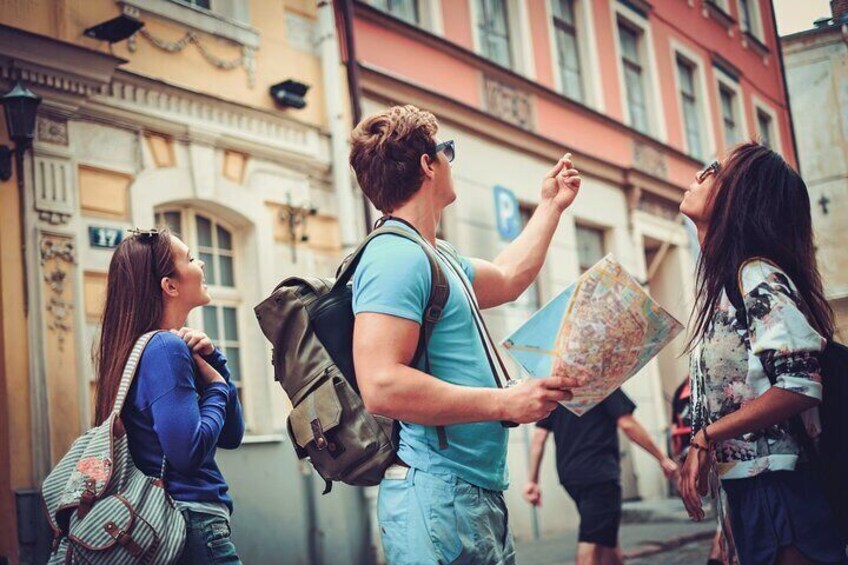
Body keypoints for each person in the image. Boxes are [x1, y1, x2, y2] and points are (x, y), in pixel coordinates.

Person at [349, 105, 582, 564]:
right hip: (438, 492)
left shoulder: (438, 256)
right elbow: (380, 385)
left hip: (468, 493)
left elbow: (512, 275)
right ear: (426, 164)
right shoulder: (393, 257)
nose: (449, 163)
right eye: (446, 152)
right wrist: (504, 402)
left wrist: (552, 205)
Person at [678, 142, 846, 564]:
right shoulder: (723, 284)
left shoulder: (754, 275)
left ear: (740, 195)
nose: (700, 173)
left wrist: (704, 439)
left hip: (781, 491)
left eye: (714, 169)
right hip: (751, 493)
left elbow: (800, 385)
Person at [94, 228, 245, 564]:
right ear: (170, 285)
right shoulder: (164, 348)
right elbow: (188, 454)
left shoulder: (155, 348)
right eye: (190, 258)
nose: (201, 262)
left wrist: (214, 362)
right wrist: (218, 386)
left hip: (184, 522)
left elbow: (232, 434)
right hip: (189, 522)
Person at [523, 389, 678, 565]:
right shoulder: (602, 384)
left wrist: (532, 481)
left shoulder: (558, 392)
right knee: (591, 543)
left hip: (570, 476)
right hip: (599, 475)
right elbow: (627, 424)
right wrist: (662, 458)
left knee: (606, 538)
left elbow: (538, 438)